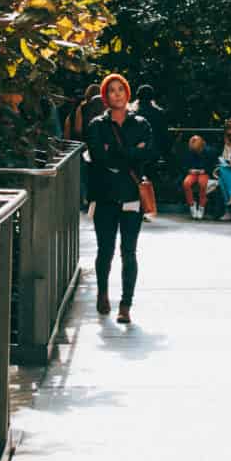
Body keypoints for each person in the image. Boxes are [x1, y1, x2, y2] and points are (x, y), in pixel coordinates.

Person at [83, 74, 154, 323]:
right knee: (105, 250)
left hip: (131, 194)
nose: (117, 94)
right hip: (104, 194)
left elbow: (149, 153)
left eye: (121, 89)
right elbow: (98, 157)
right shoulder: (96, 125)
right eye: (111, 90)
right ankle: (103, 293)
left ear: (127, 92)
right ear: (105, 95)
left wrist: (114, 152)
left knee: (129, 251)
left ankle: (126, 304)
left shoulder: (141, 123)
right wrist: (133, 152)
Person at [182, 133, 212, 219]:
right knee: (186, 183)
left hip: (204, 172)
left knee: (203, 184)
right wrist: (190, 170)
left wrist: (204, 170)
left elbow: (212, 165)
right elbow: (183, 165)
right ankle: (192, 205)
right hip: (193, 172)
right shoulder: (189, 150)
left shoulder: (209, 151)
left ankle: (201, 207)